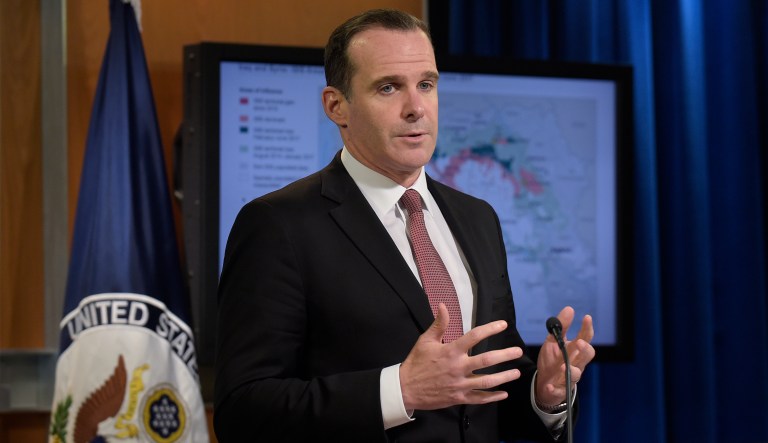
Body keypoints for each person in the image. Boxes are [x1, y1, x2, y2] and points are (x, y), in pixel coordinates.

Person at [214, 8, 595, 443]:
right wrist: (401, 391)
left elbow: (482, 390)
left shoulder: (478, 217)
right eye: (389, 87)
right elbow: (242, 412)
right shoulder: (278, 225)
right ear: (336, 105)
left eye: (427, 85)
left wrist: (543, 394)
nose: (416, 108)